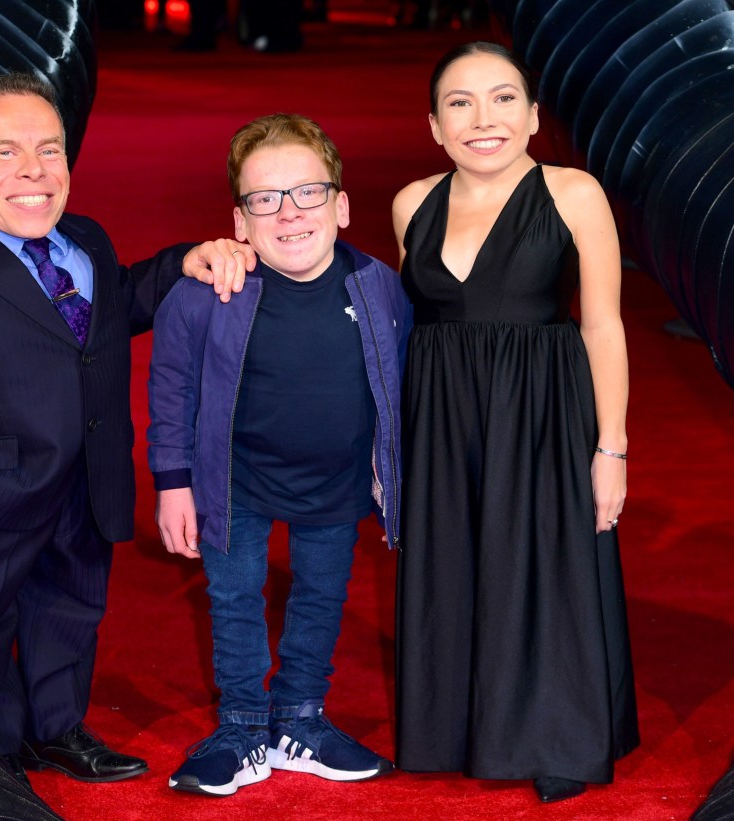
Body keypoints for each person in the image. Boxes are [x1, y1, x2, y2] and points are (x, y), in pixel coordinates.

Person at [0, 72, 253, 793]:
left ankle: (56, 727)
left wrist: (181, 263)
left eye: (50, 149)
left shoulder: (87, 242)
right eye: (4, 152)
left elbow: (115, 306)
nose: (34, 170)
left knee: (70, 609)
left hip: (87, 476)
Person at [390, 41, 639, 803]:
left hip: (543, 411)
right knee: (457, 560)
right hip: (442, 416)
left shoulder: (574, 193)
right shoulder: (411, 203)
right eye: (459, 103)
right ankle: (458, 725)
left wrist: (612, 447)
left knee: (548, 567)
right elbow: (409, 325)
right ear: (435, 125)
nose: (482, 118)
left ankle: (559, 733)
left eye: (503, 98)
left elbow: (602, 324)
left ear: (533, 115)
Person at [147, 113, 411, 796]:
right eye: (266, 199)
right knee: (234, 597)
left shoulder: (381, 287)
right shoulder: (204, 294)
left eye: (309, 193)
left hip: (337, 478)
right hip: (236, 480)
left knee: (323, 593)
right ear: (240, 220)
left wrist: (396, 473)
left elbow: (402, 378)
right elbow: (170, 390)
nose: (289, 213)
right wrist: (173, 482)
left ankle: (300, 717)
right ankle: (240, 725)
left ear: (342, 205)